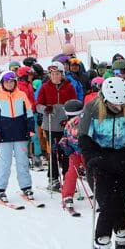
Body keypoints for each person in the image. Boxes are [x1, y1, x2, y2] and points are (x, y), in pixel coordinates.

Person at [80, 77, 125, 249]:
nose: (118, 107)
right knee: (108, 206)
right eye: (115, 103)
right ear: (106, 99)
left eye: (121, 103)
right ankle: (102, 248)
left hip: (124, 160)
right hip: (101, 161)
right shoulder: (92, 109)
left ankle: (122, 243)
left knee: (121, 203)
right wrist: (94, 159)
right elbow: (84, 138)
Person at [0, 71, 35, 201]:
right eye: (7, 82)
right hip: (4, 134)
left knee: (23, 161)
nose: (9, 84)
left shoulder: (21, 95)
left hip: (20, 133)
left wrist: (30, 129)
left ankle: (26, 187)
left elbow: (29, 114)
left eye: (12, 81)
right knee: (5, 162)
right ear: (2, 83)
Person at [36, 62, 77, 191]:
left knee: (66, 152)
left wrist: (70, 115)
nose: (55, 76)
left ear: (62, 74)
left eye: (57, 74)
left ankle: (67, 176)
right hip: (50, 125)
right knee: (53, 152)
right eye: (52, 74)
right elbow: (37, 105)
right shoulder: (44, 87)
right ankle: (53, 178)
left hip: (65, 125)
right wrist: (45, 109)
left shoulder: (69, 87)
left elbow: (74, 103)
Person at [57, 99, 85, 215]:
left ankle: (101, 195)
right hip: (75, 152)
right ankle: (67, 195)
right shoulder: (69, 123)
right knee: (71, 173)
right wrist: (63, 145)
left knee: (91, 173)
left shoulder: (83, 122)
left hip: (85, 152)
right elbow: (66, 136)